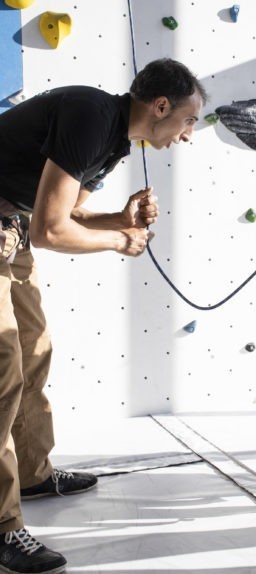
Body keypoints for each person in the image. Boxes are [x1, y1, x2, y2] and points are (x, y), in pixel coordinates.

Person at [0, 58, 207, 573]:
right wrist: (119, 240)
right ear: (160, 106)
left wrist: (121, 217)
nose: (187, 136)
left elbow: (66, 212)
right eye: (188, 121)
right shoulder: (90, 115)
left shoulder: (114, 139)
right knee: (3, 370)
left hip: (11, 225)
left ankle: (32, 473)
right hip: (11, 223)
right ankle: (2, 528)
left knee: (35, 351)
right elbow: (51, 231)